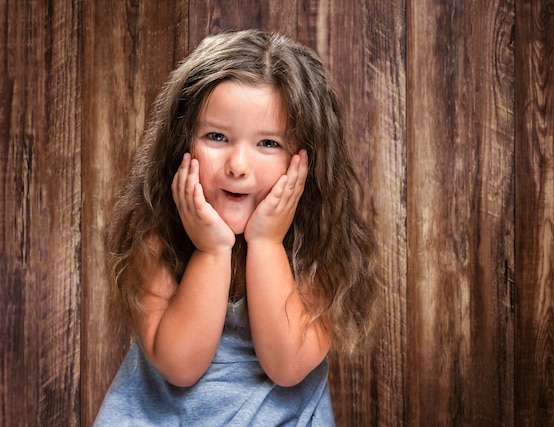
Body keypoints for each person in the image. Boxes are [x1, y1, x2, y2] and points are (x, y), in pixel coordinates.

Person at [94, 29, 380, 426]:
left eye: (268, 144)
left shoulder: (316, 245)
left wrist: (266, 243)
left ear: (306, 158)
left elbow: (287, 367)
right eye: (216, 137)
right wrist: (211, 251)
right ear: (182, 144)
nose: (238, 165)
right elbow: (179, 365)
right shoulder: (156, 237)